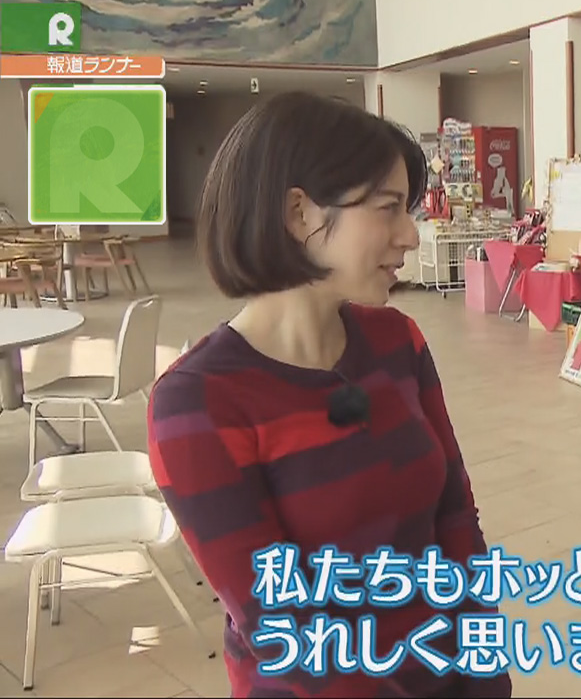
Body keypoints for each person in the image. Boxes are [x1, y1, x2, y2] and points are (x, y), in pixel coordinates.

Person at [147, 92, 511, 698]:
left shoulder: (397, 341)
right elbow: (280, 626)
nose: (410, 235)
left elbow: (455, 518)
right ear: (299, 213)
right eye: (388, 209)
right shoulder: (197, 403)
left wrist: (484, 671)